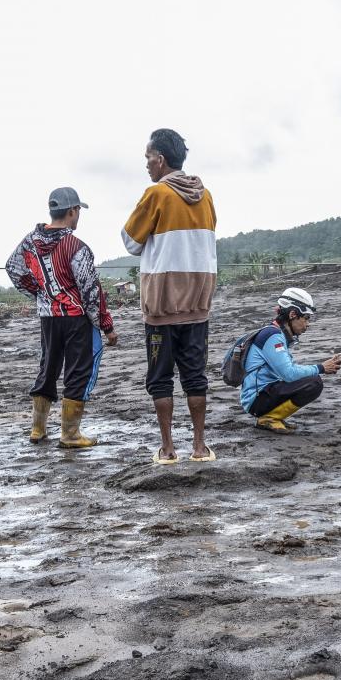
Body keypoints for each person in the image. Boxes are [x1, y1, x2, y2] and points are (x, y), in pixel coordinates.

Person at [121, 128, 217, 464]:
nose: (147, 165)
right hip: (197, 302)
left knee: (160, 377)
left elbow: (131, 242)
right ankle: (200, 447)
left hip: (162, 304)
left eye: (148, 158)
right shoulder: (205, 196)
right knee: (195, 375)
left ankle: (167, 449)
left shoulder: (156, 194)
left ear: (160, 159)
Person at [5, 187, 118, 449]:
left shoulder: (30, 242)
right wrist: (106, 326)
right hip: (75, 316)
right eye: (78, 211)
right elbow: (91, 291)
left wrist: (40, 293)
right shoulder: (76, 247)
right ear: (72, 211)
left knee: (48, 368)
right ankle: (70, 434)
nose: (79, 216)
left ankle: (38, 429)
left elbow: (13, 268)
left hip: (48, 317)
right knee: (77, 372)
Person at [240, 287, 341, 434]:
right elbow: (289, 373)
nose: (308, 324)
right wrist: (321, 367)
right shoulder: (273, 336)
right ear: (293, 314)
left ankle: (273, 417)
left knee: (311, 379)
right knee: (314, 382)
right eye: (306, 318)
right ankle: (269, 418)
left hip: (261, 395)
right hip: (256, 401)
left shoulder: (276, 334)